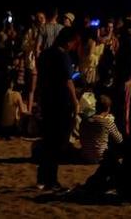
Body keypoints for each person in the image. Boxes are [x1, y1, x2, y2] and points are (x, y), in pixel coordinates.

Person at [35, 27, 79, 190]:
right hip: (60, 102)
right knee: (58, 141)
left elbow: (41, 79)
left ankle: (42, 176)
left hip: (47, 100)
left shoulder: (46, 54)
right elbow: (68, 81)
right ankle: (51, 179)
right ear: (69, 41)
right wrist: (75, 102)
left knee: (48, 140)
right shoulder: (63, 56)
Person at [75, 94, 122, 164]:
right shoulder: (107, 122)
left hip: (85, 156)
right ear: (109, 108)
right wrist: (111, 122)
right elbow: (119, 139)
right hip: (101, 158)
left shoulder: (84, 121)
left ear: (96, 107)